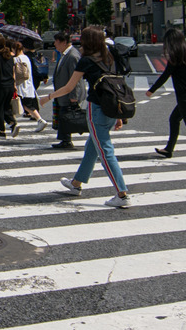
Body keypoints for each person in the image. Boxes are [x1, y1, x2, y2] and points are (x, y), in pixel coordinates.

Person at [45, 27, 132, 207]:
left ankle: (122, 194)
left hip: (98, 110)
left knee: (105, 150)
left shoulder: (86, 61)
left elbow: (69, 87)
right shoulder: (110, 57)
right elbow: (115, 85)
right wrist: (118, 116)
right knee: (92, 146)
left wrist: (48, 97)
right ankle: (77, 183)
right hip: (112, 108)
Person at [146, 28, 186, 164]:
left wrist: (152, 90)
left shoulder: (176, 57)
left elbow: (165, 75)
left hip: (184, 96)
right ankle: (169, 149)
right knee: (174, 119)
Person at [48, 30, 84, 149]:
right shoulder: (65, 54)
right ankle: (65, 139)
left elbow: (76, 79)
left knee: (66, 115)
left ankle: (66, 140)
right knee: (63, 116)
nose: (54, 44)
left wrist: (73, 97)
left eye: (56, 42)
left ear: (63, 42)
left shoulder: (72, 56)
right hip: (63, 93)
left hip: (69, 94)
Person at [15, 43, 42, 126]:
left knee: (25, 104)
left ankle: (12, 122)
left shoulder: (17, 59)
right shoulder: (27, 57)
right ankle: (39, 119)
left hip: (20, 85)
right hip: (29, 83)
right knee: (26, 104)